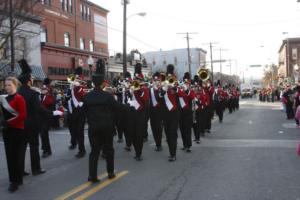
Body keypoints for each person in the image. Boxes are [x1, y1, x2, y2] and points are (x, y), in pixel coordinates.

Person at [17, 59, 63, 177]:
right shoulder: (33, 94)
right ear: (29, 81)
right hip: (32, 124)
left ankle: (20, 171)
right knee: (34, 146)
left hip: (20, 124)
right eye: (31, 79)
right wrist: (53, 113)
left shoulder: (17, 93)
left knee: (21, 148)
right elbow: (40, 109)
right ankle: (35, 169)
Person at [83, 59, 121, 183]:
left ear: (93, 83)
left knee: (94, 152)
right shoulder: (108, 96)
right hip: (107, 127)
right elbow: (117, 108)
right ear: (102, 83)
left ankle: (92, 176)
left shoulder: (87, 96)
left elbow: (84, 111)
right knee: (109, 149)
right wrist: (128, 108)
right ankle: (110, 173)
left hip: (94, 127)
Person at [0, 77, 27, 192]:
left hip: (17, 130)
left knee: (15, 156)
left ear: (15, 85)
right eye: (5, 85)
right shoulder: (3, 98)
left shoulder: (19, 98)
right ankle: (16, 179)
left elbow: (22, 116)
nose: (7, 87)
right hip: (6, 130)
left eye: (9, 85)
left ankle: (15, 181)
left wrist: (8, 122)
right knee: (9, 156)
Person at [159, 64, 180, 161]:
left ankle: (173, 154)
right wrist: (163, 90)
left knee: (172, 133)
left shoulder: (175, 82)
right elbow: (159, 96)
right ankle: (171, 151)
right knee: (167, 134)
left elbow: (179, 92)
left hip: (174, 112)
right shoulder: (163, 84)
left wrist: (174, 88)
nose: (169, 78)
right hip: (165, 112)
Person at [66, 67, 87, 158]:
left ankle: (82, 150)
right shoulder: (73, 85)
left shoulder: (81, 85)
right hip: (73, 110)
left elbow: (82, 95)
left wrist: (77, 86)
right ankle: (75, 143)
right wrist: (70, 89)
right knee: (73, 129)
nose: (75, 79)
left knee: (80, 131)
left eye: (77, 77)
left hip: (80, 110)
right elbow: (69, 95)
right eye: (75, 77)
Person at [179, 72, 195, 152]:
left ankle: (188, 145)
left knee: (187, 130)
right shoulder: (181, 89)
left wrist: (187, 90)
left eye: (187, 83)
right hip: (181, 112)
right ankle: (184, 144)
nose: (186, 84)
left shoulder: (190, 90)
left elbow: (192, 97)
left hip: (188, 112)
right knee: (182, 129)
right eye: (185, 83)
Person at [39, 78, 55, 158]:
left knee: (43, 133)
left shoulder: (49, 94)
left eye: (44, 88)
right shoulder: (42, 95)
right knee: (43, 134)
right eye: (43, 88)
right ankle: (47, 150)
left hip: (47, 116)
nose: (43, 89)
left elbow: (49, 103)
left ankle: (46, 150)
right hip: (42, 117)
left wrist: (45, 93)